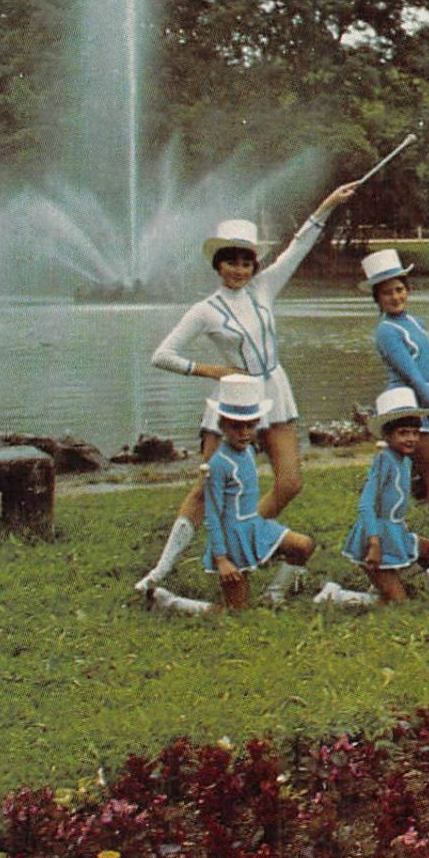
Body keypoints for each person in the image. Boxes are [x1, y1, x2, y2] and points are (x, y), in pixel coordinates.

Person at [139, 183, 355, 593]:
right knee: (205, 489)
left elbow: (299, 245)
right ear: (218, 266)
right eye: (231, 262)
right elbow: (162, 355)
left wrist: (327, 204)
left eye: (246, 261)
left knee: (290, 482)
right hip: (233, 398)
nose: (240, 269)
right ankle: (160, 571)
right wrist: (212, 371)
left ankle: (244, 542)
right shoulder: (205, 310)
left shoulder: (264, 288)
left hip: (274, 390)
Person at [198, 374, 323, 612]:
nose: (245, 432)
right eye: (236, 426)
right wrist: (222, 559)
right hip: (232, 538)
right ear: (222, 425)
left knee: (303, 546)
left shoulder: (247, 452)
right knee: (237, 611)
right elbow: (213, 515)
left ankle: (274, 596)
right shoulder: (218, 464)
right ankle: (174, 602)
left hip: (256, 526)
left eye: (250, 425)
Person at [339, 387, 429, 605]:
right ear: (387, 435)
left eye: (414, 432)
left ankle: (422, 580)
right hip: (377, 536)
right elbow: (366, 505)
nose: (411, 438)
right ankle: (338, 596)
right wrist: (374, 542)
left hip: (396, 532)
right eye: (403, 433)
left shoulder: (405, 460)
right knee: (398, 603)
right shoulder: (384, 459)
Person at [363, 249, 429, 509]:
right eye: (387, 293)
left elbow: (427, 369)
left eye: (399, 289)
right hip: (408, 405)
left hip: (426, 400)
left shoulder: (415, 321)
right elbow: (412, 375)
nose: (396, 297)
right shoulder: (386, 331)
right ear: (377, 298)